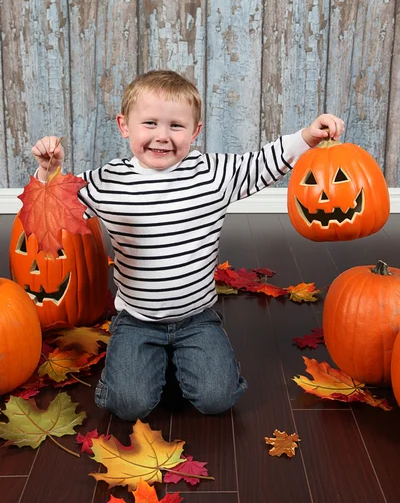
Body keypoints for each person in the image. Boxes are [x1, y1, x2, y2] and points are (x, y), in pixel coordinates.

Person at [32, 70, 344, 421]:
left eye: (176, 126)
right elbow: (55, 206)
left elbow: (260, 164)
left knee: (217, 398)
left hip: (196, 317)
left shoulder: (211, 174)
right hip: (137, 319)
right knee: (128, 404)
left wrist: (307, 137)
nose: (162, 136)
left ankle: (188, 360)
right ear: (125, 126)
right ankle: (144, 365)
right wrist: (48, 173)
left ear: (196, 131)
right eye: (149, 123)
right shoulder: (109, 182)